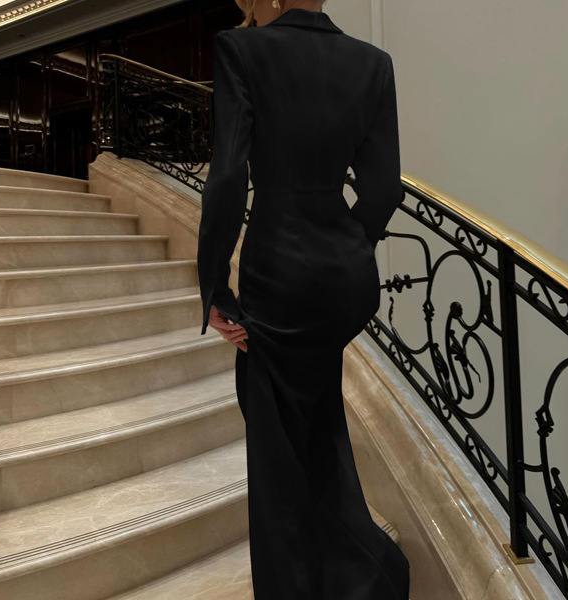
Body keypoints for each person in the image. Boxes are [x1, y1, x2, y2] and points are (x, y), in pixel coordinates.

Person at [197, 0, 410, 598]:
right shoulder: (373, 62)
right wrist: (348, 245)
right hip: (344, 280)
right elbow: (384, 188)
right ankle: (357, 571)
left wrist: (213, 284)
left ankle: (311, 583)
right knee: (316, 424)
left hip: (278, 275)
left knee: (276, 449)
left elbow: (228, 176)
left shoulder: (241, 49)